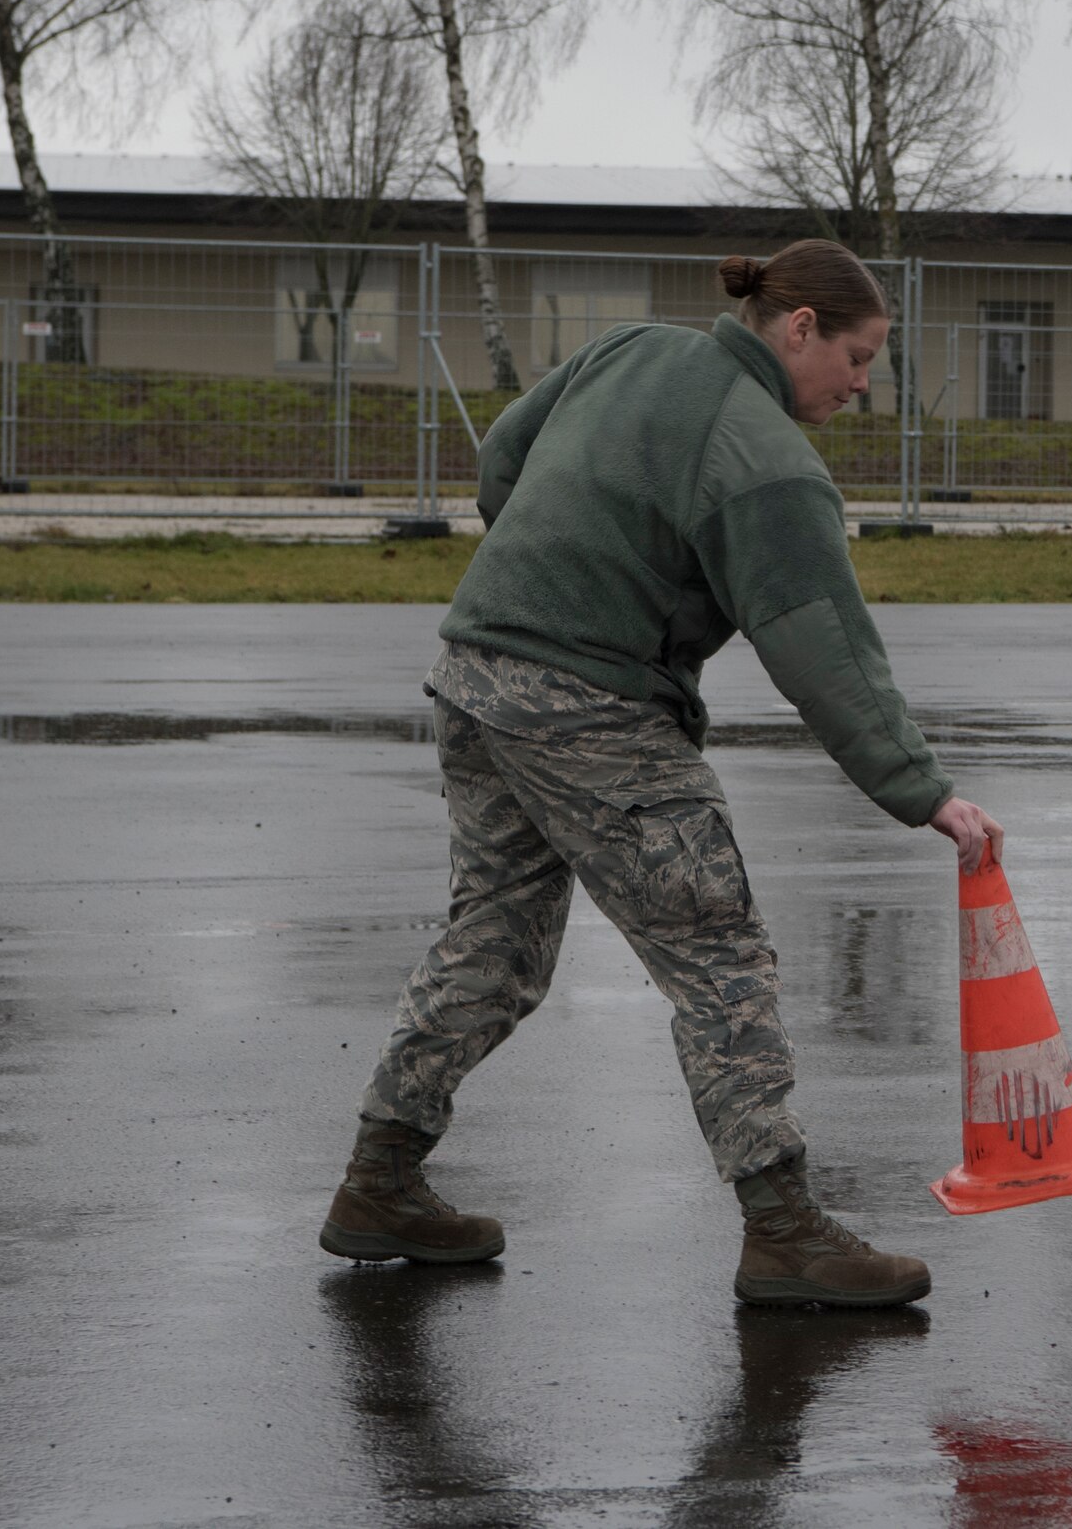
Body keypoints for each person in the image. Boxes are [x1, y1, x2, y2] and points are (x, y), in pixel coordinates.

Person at [319, 239, 1001, 1308]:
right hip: (591, 706)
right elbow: (822, 646)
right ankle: (782, 1229)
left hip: (474, 672)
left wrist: (561, 563)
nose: (862, 386)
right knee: (717, 951)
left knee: (492, 941)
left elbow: (504, 459)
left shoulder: (627, 350)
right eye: (858, 358)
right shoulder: (766, 459)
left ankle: (380, 1178)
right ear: (798, 328)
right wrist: (920, 790)